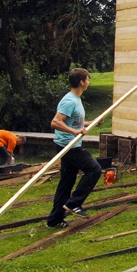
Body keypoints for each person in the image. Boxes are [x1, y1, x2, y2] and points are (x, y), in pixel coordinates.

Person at [47, 68, 103, 228]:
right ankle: (74, 203)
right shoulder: (70, 100)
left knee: (66, 182)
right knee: (94, 169)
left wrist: (89, 123)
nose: (89, 82)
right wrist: (75, 132)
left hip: (70, 143)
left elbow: (73, 121)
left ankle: (55, 219)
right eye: (88, 79)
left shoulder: (76, 99)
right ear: (81, 82)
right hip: (68, 145)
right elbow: (55, 122)